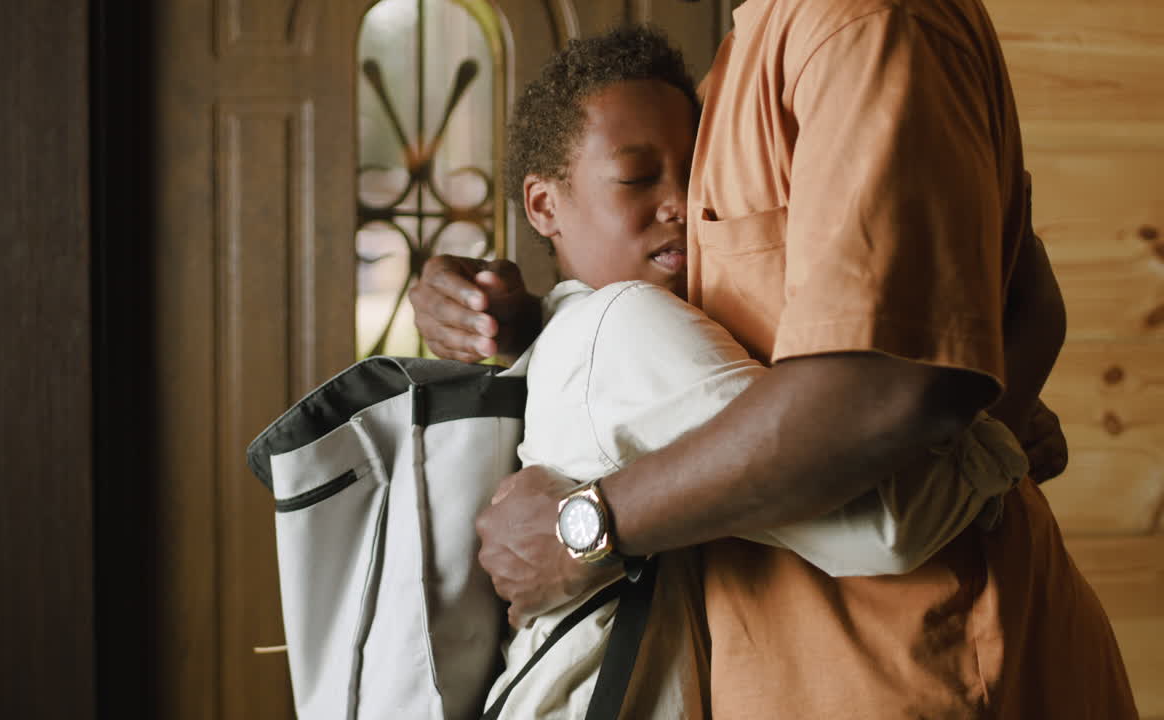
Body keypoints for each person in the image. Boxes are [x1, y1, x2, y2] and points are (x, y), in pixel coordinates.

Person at [413, 1, 1139, 717]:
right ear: (542, 204)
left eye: (683, 179)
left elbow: (888, 409)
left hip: (927, 671)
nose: (676, 203)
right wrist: (1003, 406)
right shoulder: (737, 68)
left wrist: (587, 524)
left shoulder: (862, 24)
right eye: (639, 178)